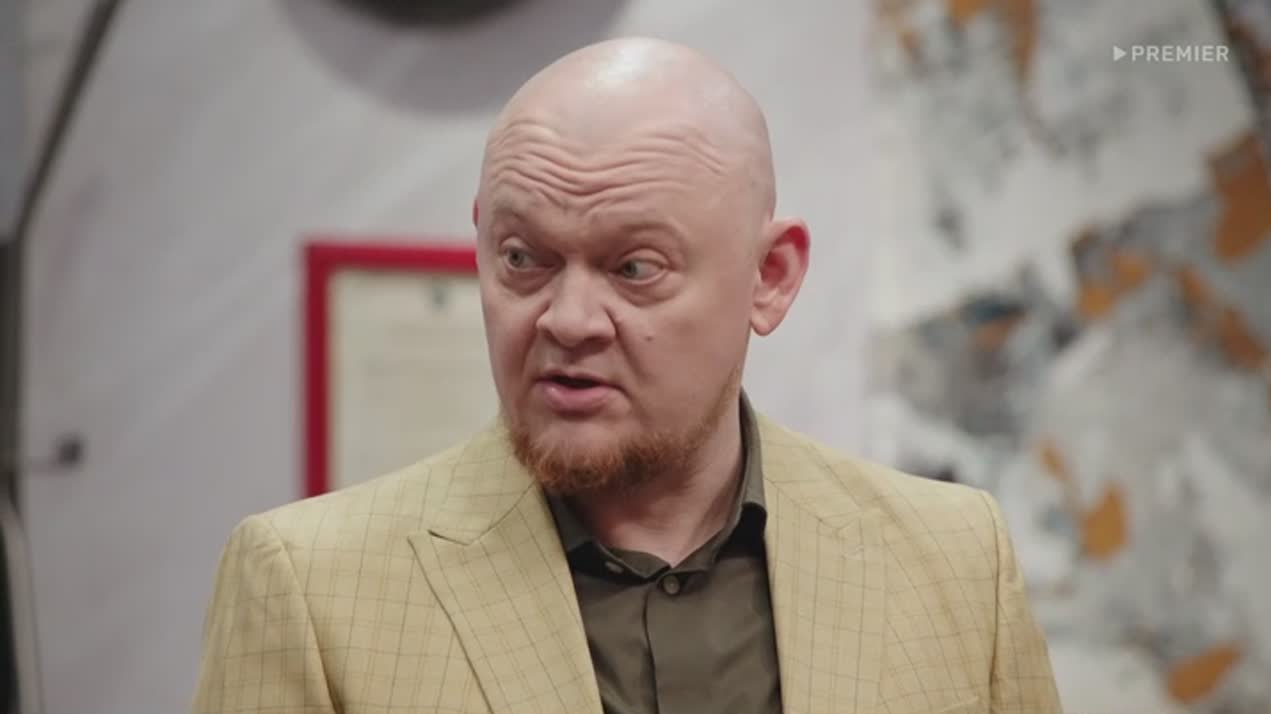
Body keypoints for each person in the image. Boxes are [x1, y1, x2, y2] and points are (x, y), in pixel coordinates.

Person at [193, 37, 1062, 714]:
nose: (568, 320)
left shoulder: (954, 563)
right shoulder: (311, 589)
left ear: (770, 278)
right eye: (523, 258)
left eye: (635, 268)